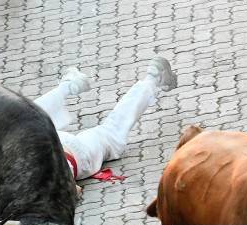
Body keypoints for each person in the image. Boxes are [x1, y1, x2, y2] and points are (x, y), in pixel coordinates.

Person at [33, 57, 177, 184]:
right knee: (26, 117)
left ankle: (153, 78)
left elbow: (71, 191)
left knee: (111, 132)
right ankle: (67, 87)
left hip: (76, 156)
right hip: (57, 143)